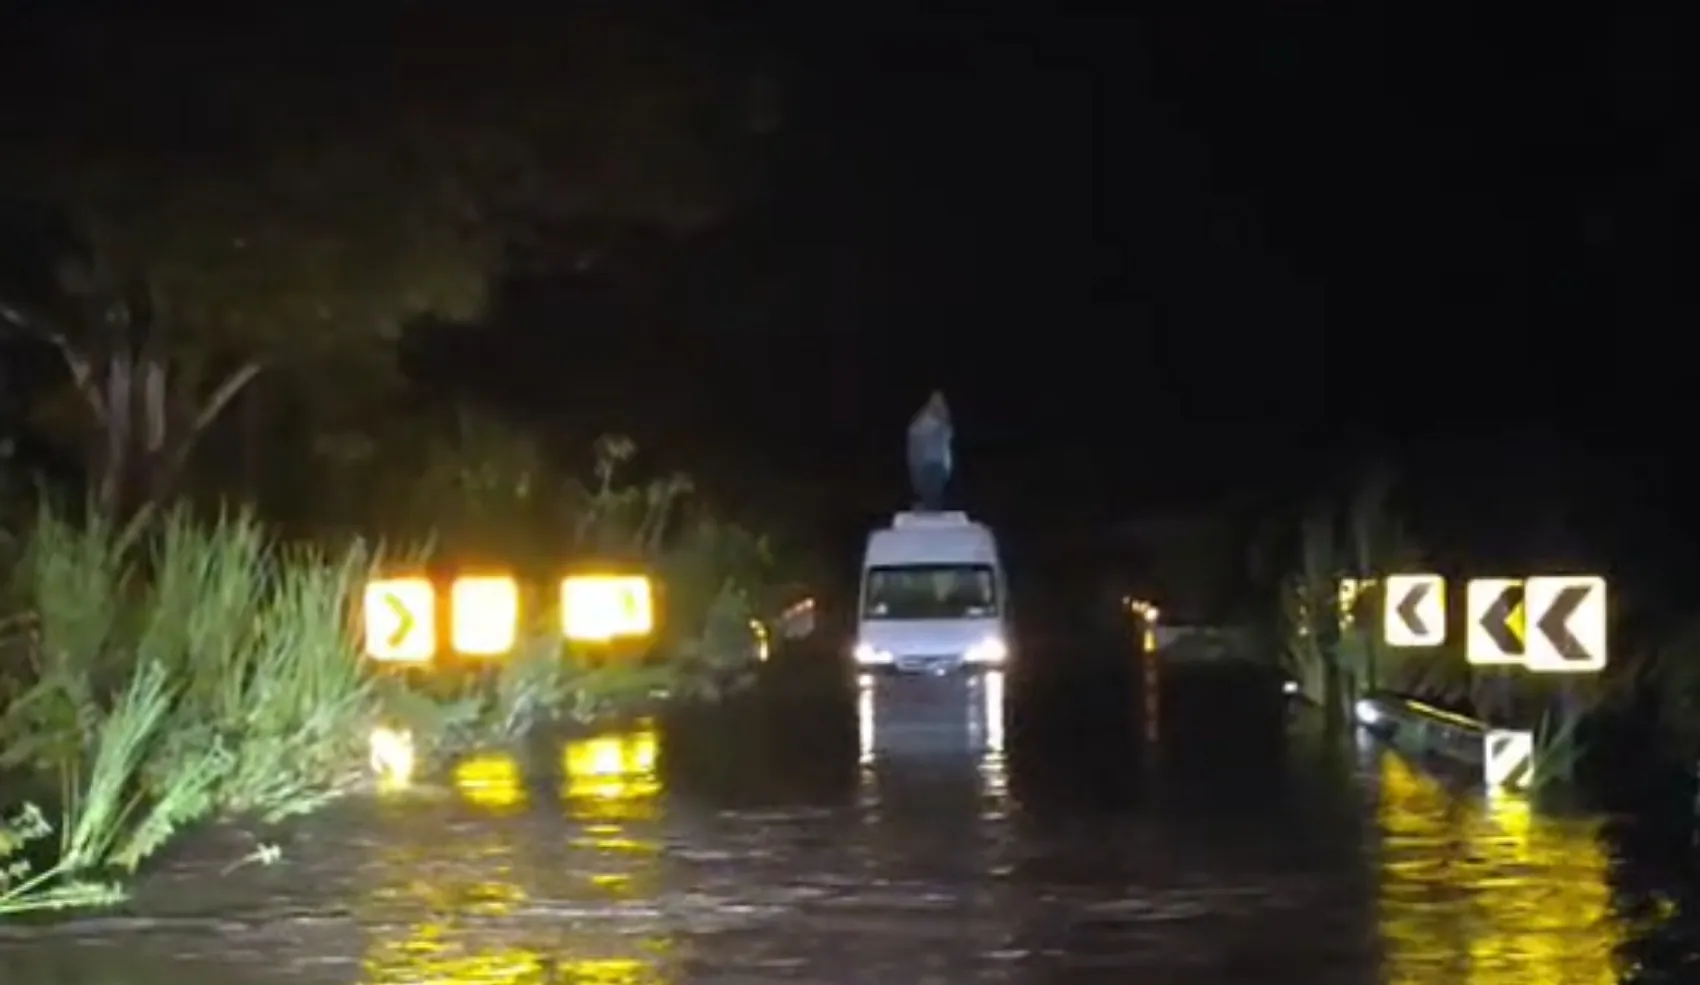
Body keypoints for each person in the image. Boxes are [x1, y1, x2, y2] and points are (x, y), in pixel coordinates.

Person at [907, 390, 952, 511]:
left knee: (932, 496)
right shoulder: (937, 424)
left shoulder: (919, 423)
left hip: (928, 465)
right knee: (932, 496)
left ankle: (928, 509)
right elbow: (945, 449)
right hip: (932, 465)